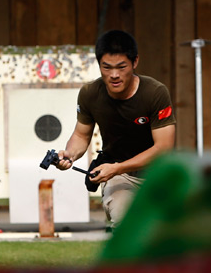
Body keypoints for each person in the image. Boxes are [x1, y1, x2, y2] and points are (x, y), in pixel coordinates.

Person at [54, 30, 176, 229]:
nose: (114, 75)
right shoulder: (89, 93)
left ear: (135, 62)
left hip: (158, 174)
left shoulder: (155, 92)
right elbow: (80, 135)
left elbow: (163, 147)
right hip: (119, 178)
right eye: (107, 68)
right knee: (125, 224)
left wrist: (116, 167)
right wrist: (69, 155)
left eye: (121, 67)